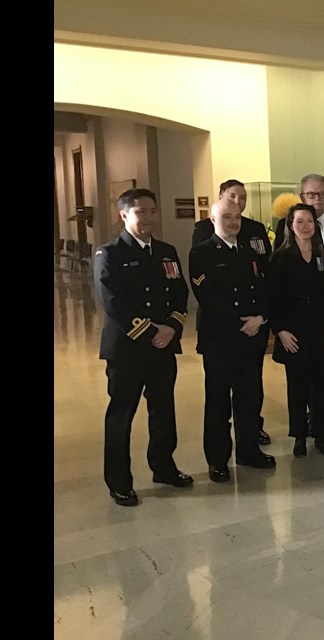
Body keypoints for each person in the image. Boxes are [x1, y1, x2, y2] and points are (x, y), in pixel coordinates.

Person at [94, 188, 192, 507]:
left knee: (163, 411)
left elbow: (180, 293)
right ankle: (119, 481)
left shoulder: (166, 251)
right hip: (127, 351)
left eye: (152, 210)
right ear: (125, 215)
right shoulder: (109, 253)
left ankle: (163, 466)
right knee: (121, 416)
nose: (148, 217)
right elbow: (113, 302)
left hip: (163, 347)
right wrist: (151, 330)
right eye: (141, 212)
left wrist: (172, 328)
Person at [189, 200, 274, 482]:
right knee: (218, 403)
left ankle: (248, 451)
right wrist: (242, 325)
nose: (233, 222)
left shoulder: (251, 252)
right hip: (220, 341)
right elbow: (209, 299)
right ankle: (217, 460)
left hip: (252, 339)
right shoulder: (201, 253)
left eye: (237, 217)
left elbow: (265, 288)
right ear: (213, 219)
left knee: (249, 399)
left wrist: (261, 318)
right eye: (226, 216)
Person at [273, 174, 324, 439]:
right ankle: (300, 431)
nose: (316, 199)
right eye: (310, 194)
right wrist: (280, 328)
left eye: (321, 194)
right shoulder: (281, 252)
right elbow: (275, 293)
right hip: (295, 328)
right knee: (298, 384)